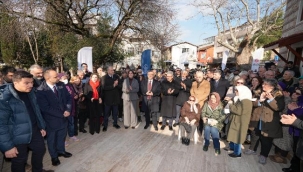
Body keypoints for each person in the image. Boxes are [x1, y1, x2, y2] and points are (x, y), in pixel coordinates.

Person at [0, 71, 47, 172]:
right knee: (19, 161)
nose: (30, 85)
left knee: (40, 150)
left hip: (35, 130)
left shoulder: (31, 92)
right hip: (16, 136)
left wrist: (41, 126)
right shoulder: (4, 98)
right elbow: (1, 124)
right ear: (16, 82)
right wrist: (8, 147)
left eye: (32, 82)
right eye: (26, 83)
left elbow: (36, 110)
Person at [36, 69, 73, 166]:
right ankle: (54, 156)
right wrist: (62, 113)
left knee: (62, 136)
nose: (58, 78)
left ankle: (61, 151)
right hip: (51, 120)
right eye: (55, 77)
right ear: (47, 78)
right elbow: (45, 108)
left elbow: (69, 98)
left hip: (64, 118)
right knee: (52, 140)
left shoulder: (60, 85)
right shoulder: (41, 90)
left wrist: (68, 110)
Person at [257, 79, 285, 164]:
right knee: (262, 137)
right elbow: (258, 105)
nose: (262, 85)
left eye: (265, 84)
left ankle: (263, 155)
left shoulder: (278, 95)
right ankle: (262, 153)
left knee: (267, 139)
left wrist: (270, 99)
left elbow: (278, 108)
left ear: (272, 86)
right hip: (261, 119)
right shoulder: (262, 93)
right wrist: (260, 100)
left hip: (270, 121)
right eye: (263, 84)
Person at [224, 85, 253, 158]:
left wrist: (230, 103)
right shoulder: (241, 99)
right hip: (236, 121)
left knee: (238, 137)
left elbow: (238, 111)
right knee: (233, 135)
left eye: (237, 91)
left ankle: (237, 153)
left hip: (240, 122)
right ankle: (232, 148)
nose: (235, 92)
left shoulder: (246, 101)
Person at [59, 74, 80, 144]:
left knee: (71, 123)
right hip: (63, 109)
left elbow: (72, 93)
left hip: (71, 107)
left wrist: (75, 96)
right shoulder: (59, 86)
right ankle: (63, 139)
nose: (65, 79)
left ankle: (71, 135)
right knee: (63, 125)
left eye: (66, 78)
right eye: (63, 78)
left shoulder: (69, 85)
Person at [101, 66, 121, 131]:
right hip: (108, 99)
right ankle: (105, 125)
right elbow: (104, 87)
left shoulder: (116, 77)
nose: (113, 71)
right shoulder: (104, 78)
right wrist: (113, 86)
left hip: (115, 98)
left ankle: (115, 123)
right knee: (106, 113)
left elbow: (120, 86)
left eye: (113, 70)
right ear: (108, 71)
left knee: (115, 112)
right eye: (111, 70)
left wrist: (117, 85)